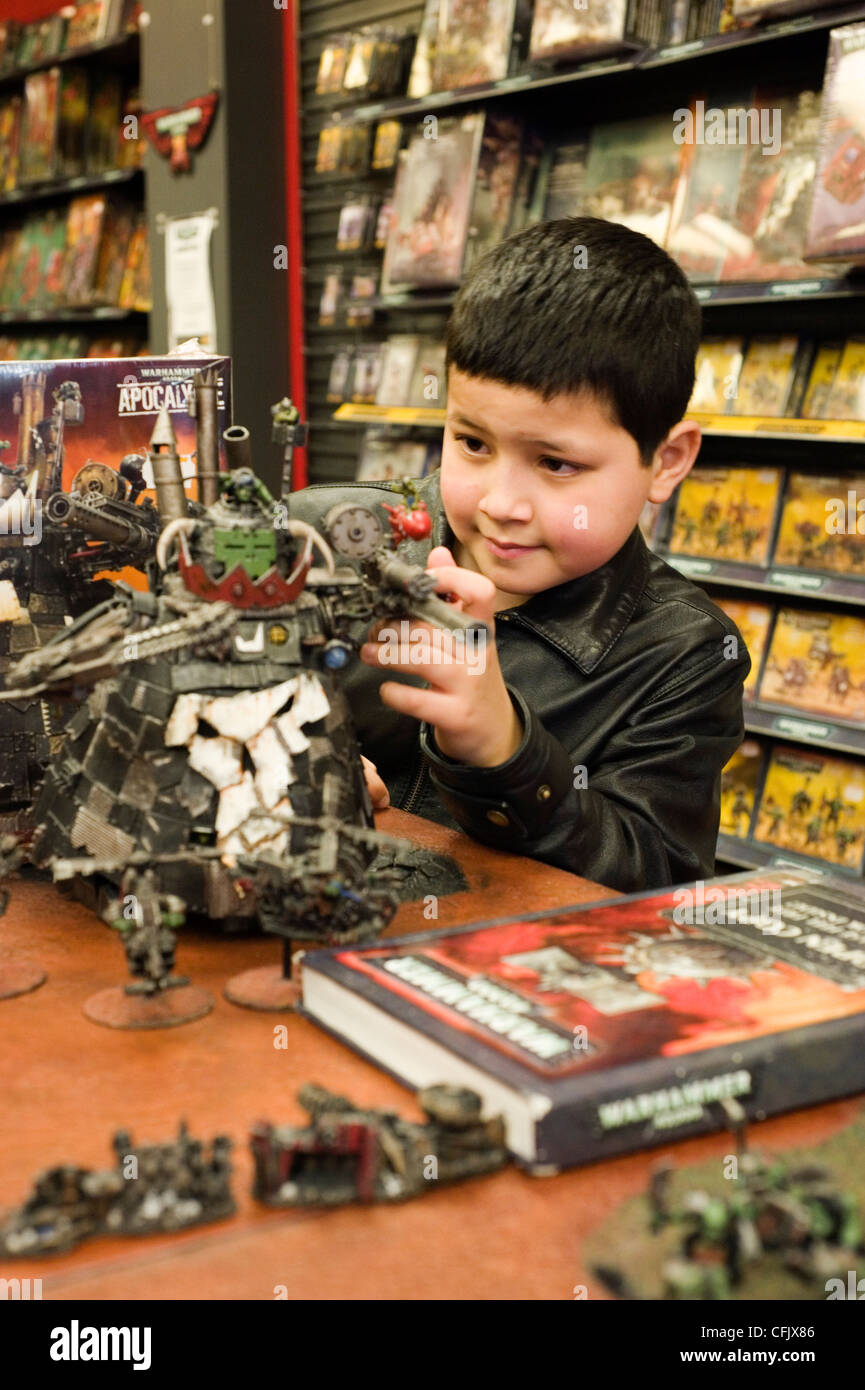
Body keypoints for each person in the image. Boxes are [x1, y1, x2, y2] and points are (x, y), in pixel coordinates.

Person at [289, 216, 750, 893]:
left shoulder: (684, 655)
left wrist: (505, 753)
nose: (502, 502)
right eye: (473, 443)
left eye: (556, 463)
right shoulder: (326, 535)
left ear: (666, 461)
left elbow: (656, 887)